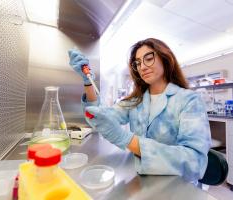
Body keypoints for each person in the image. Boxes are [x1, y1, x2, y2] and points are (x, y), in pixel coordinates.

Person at [68, 38, 211, 182]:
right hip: (140, 179)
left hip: (177, 185)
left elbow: (195, 163)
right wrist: (88, 82)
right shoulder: (136, 100)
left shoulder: (189, 100)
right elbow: (100, 116)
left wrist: (126, 139)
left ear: (165, 58)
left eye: (148, 59)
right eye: (138, 63)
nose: (142, 67)